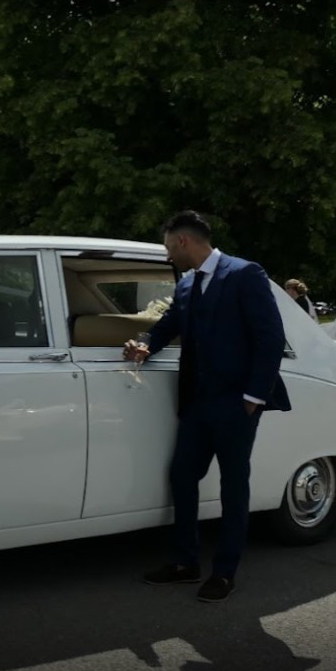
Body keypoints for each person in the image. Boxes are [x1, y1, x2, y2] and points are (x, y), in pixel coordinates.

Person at [123, 211, 291, 603]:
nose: (168, 256)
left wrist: (253, 398)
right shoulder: (186, 284)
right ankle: (185, 563)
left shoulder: (244, 274)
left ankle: (225, 572)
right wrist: (147, 344)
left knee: (234, 488)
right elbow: (170, 323)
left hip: (237, 404)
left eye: (168, 247)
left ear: (183, 241)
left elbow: (270, 338)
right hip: (197, 404)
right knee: (182, 476)